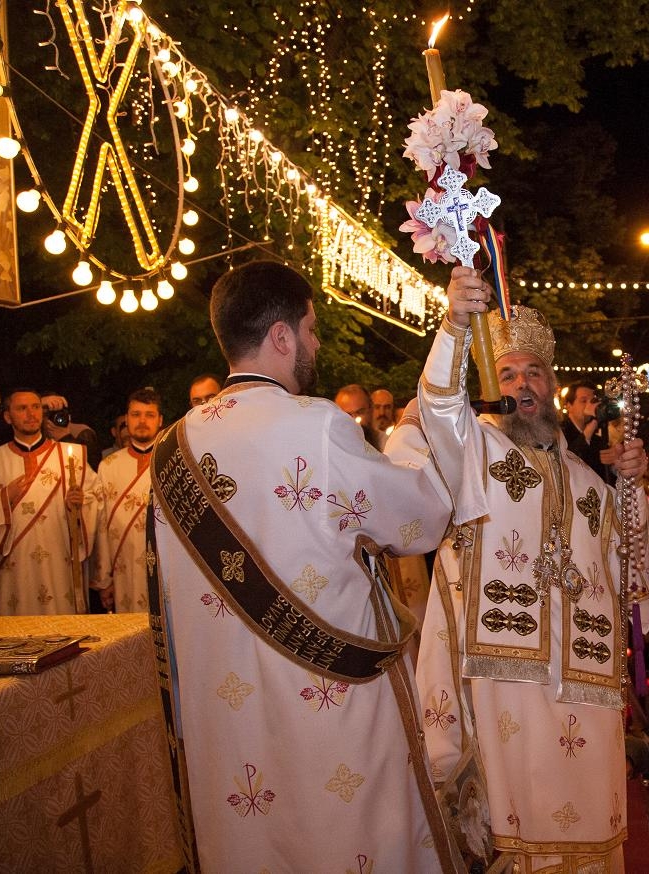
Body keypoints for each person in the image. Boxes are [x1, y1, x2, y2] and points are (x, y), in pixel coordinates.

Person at [148, 261, 461, 871]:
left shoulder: (169, 451)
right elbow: (417, 520)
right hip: (329, 706)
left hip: (225, 724)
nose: (315, 343)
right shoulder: (317, 426)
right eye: (312, 329)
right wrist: (416, 432)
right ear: (282, 336)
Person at [412, 267, 649, 871]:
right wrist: (454, 327)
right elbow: (438, 408)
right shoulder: (474, 451)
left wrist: (634, 487)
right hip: (501, 680)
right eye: (509, 373)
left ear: (553, 385)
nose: (522, 386)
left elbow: (629, 561)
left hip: (583, 686)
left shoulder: (585, 480)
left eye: (535, 373)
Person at [0, 388, 101, 615]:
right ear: (8, 417)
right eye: (22, 408)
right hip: (14, 569)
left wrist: (80, 505)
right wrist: (3, 499)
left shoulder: (72, 455)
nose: (31, 414)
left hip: (60, 562)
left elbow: (96, 501)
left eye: (36, 407)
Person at [91, 388, 161, 613]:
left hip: (165, 569)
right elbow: (100, 526)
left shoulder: (171, 459)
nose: (142, 421)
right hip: (123, 572)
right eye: (135, 414)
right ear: (126, 419)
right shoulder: (108, 466)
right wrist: (104, 579)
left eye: (149, 415)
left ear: (160, 421)